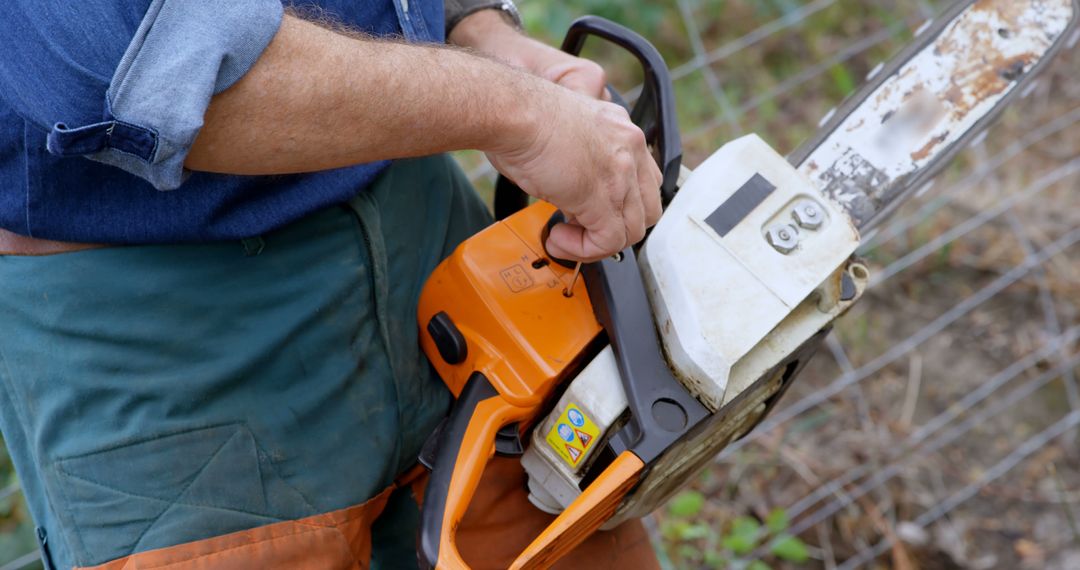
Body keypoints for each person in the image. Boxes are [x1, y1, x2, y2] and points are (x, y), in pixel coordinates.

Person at [0, 0, 662, 568]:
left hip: (434, 244)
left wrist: (480, 34)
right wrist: (520, 113)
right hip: (169, 343)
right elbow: (150, 71)